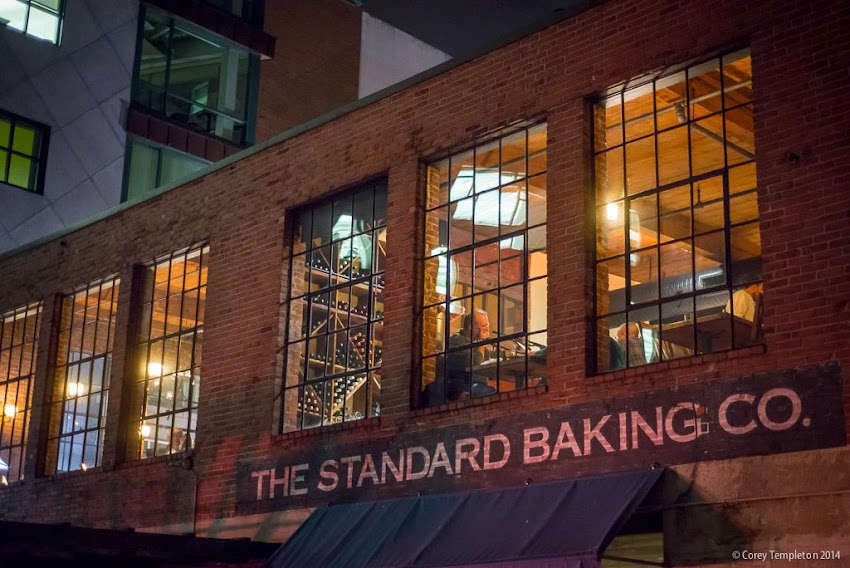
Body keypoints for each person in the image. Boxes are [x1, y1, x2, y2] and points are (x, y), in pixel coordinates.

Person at [445, 309, 497, 400]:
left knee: (493, 391)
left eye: (487, 326)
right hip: (463, 385)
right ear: (471, 327)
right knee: (490, 393)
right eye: (484, 326)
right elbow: (474, 366)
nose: (487, 330)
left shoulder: (480, 346)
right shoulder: (457, 340)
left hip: (479, 385)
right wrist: (481, 343)